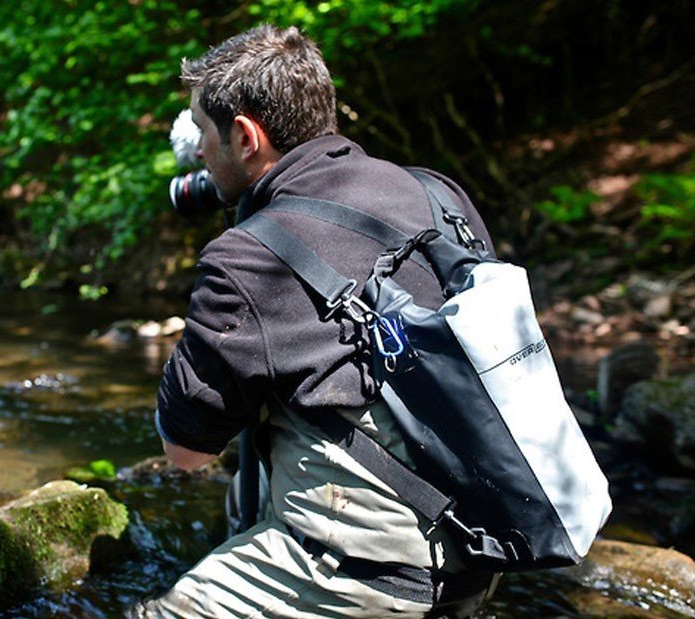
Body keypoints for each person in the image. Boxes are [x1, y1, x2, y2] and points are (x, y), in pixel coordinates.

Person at [134, 25, 500, 618]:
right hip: (489, 542)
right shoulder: (439, 195)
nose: (200, 151)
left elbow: (186, 454)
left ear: (246, 137)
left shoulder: (251, 254)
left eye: (203, 131)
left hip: (378, 574)